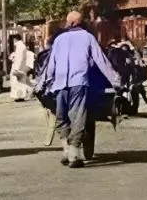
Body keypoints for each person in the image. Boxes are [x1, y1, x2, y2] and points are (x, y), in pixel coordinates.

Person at [41, 11, 122, 168]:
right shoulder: (88, 37)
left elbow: (51, 63)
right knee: (78, 116)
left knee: (61, 116)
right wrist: (115, 81)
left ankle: (67, 150)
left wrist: (47, 83)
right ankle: (73, 153)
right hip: (79, 83)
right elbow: (100, 60)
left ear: (69, 23)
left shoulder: (59, 39)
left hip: (60, 83)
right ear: (81, 22)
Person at [9, 36, 35, 102]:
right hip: (22, 67)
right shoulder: (21, 46)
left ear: (15, 39)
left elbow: (19, 58)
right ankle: (22, 95)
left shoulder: (19, 46)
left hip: (19, 67)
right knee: (22, 82)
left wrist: (17, 68)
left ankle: (19, 96)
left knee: (19, 83)